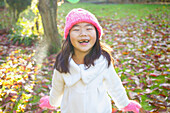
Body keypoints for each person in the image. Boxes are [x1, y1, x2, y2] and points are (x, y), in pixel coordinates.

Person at [39, 8, 141, 113]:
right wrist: (52, 102)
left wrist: (124, 104)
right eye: (76, 29)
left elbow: (114, 85)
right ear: (69, 36)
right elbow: (57, 88)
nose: (83, 33)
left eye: (89, 29)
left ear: (97, 35)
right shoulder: (63, 63)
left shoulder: (103, 61)